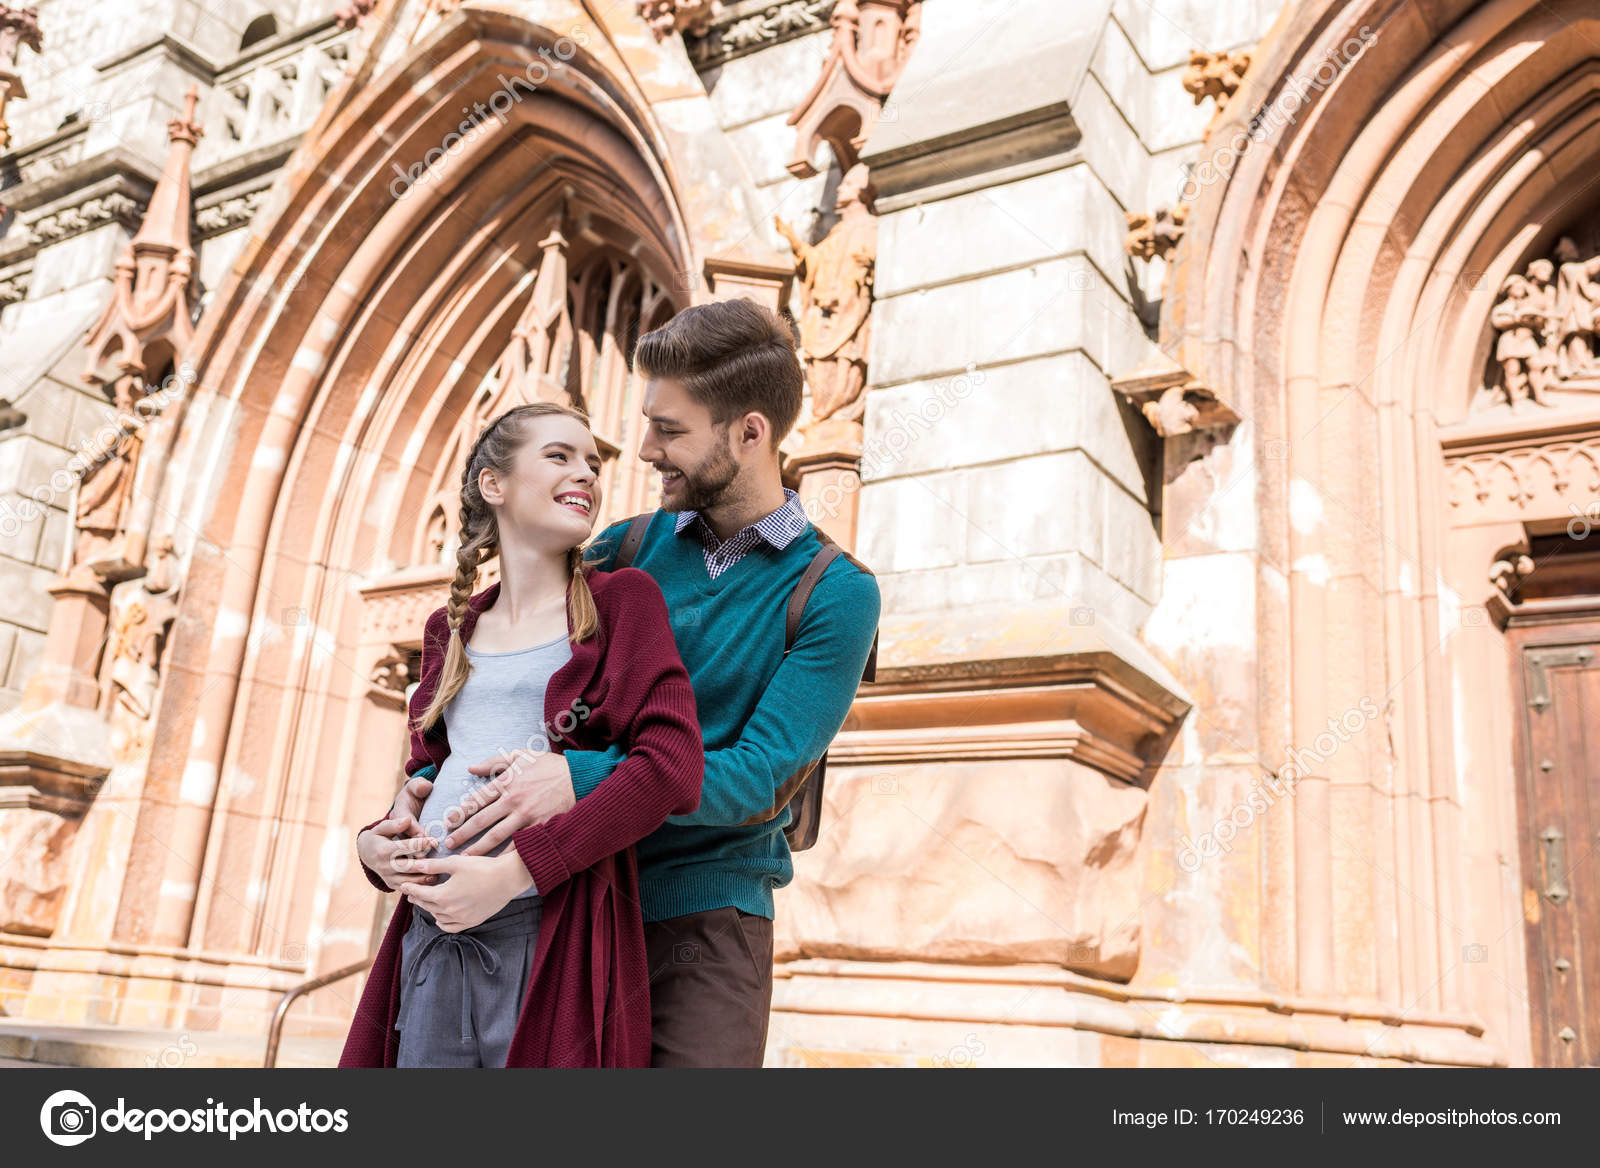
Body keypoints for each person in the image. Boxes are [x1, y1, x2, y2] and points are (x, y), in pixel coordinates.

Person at [433, 298, 881, 1066]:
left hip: (705, 926)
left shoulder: (836, 592)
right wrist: (419, 789)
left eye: (669, 431)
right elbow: (506, 672)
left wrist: (576, 777)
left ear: (750, 433)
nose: (644, 451)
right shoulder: (621, 549)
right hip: (572, 895)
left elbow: (759, 780)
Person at [338, 402, 703, 1068]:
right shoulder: (449, 630)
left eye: (593, 463)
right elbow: (425, 776)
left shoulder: (625, 603)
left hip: (546, 934)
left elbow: (671, 768)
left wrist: (514, 874)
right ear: (494, 485)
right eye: (559, 456)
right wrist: (376, 847)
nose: (586, 474)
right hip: (430, 931)